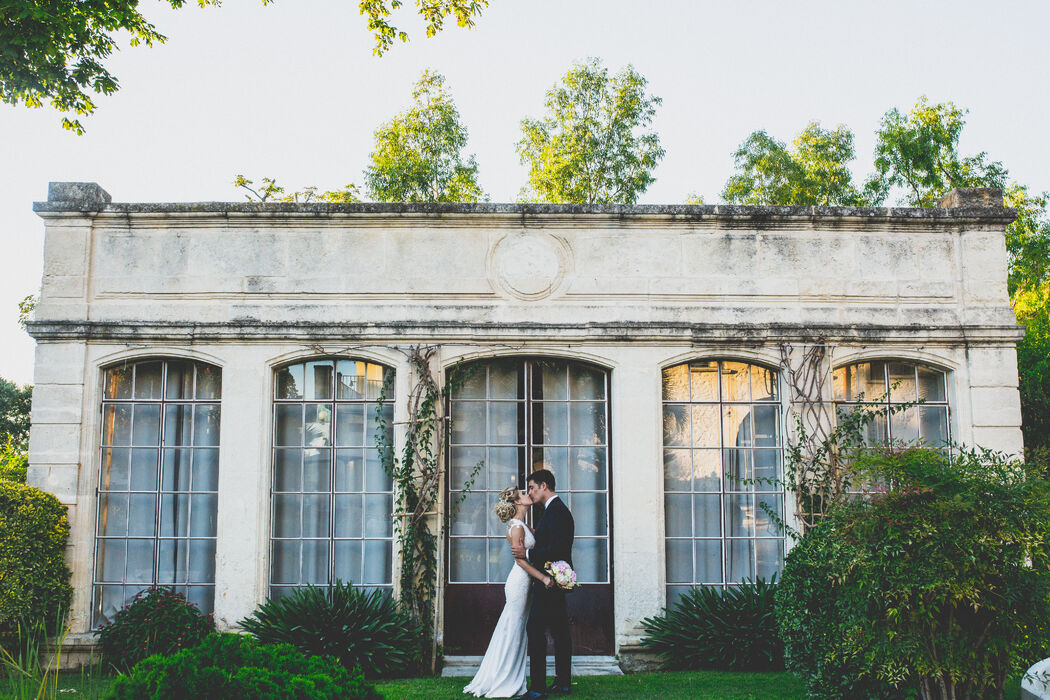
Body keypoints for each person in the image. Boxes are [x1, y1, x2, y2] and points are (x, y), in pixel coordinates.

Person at [464, 486, 553, 698]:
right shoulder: (516, 527)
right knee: (513, 628)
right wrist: (543, 577)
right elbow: (520, 560)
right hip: (519, 582)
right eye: (523, 494)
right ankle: (503, 678)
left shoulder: (522, 524)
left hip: (526, 582)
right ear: (517, 502)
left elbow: (532, 550)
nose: (528, 495)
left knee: (518, 629)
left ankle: (512, 675)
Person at [512, 469, 574, 699]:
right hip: (553, 579)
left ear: (544, 486)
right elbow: (552, 541)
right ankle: (563, 683)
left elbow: (556, 550)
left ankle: (538, 688)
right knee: (559, 630)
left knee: (535, 630)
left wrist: (527, 553)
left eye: (532, 487)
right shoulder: (553, 511)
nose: (530, 492)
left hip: (549, 580)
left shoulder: (556, 512)